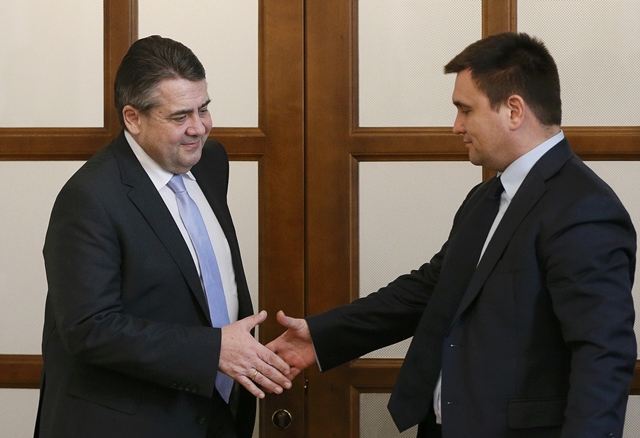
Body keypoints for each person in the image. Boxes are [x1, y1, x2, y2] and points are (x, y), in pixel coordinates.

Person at [267, 32, 637, 437]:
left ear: (514, 110)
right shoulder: (486, 197)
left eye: (465, 110)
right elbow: (430, 289)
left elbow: (603, 355)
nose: (456, 126)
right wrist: (320, 337)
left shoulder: (583, 209)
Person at [34, 35, 291, 438]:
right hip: (129, 424)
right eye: (179, 116)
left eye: (203, 109)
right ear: (133, 118)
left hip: (215, 413)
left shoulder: (210, 163)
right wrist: (213, 351)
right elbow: (88, 328)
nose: (199, 128)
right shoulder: (88, 198)